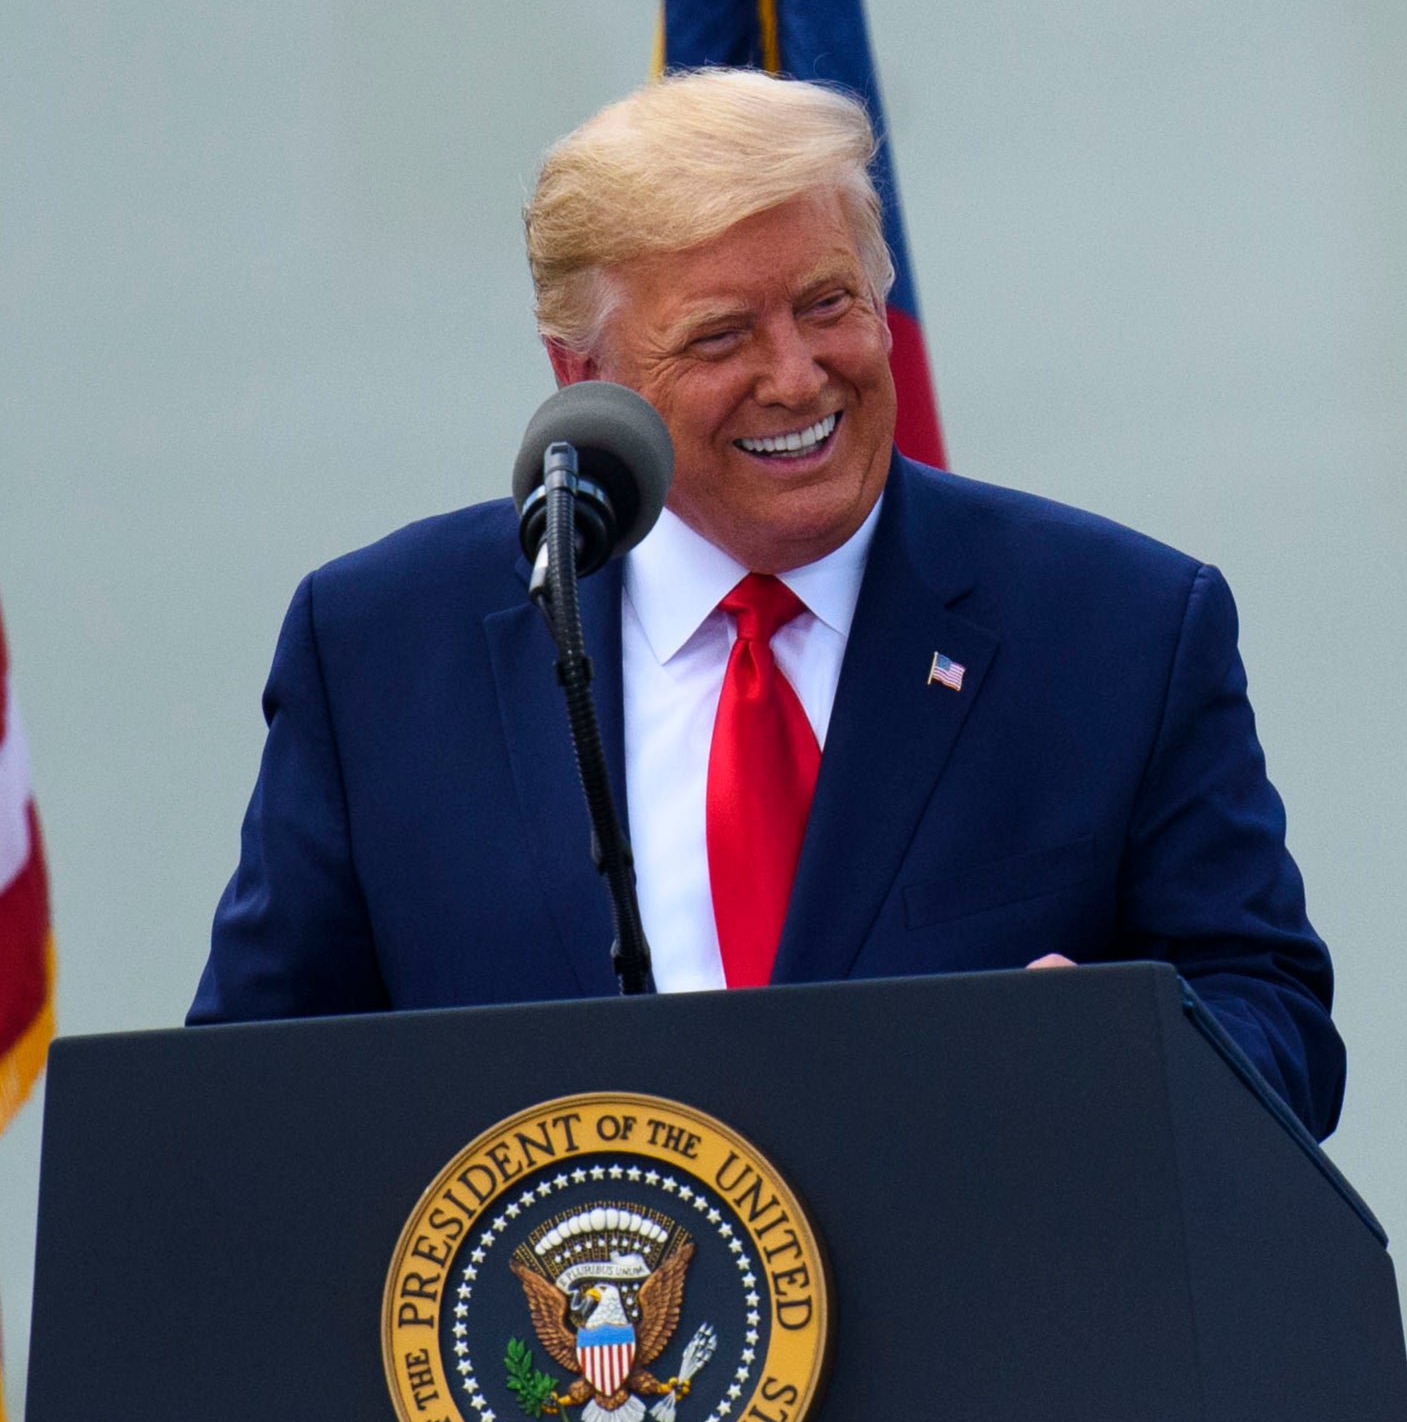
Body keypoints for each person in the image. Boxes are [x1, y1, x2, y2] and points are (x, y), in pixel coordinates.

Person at [190, 69, 1345, 1140]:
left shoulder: (1117, 628)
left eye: (828, 302)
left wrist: (1129, 1050)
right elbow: (252, 1091)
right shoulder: (384, 652)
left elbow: (1274, 1012)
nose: (796, 374)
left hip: (995, 1342)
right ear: (582, 376)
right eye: (722, 335)